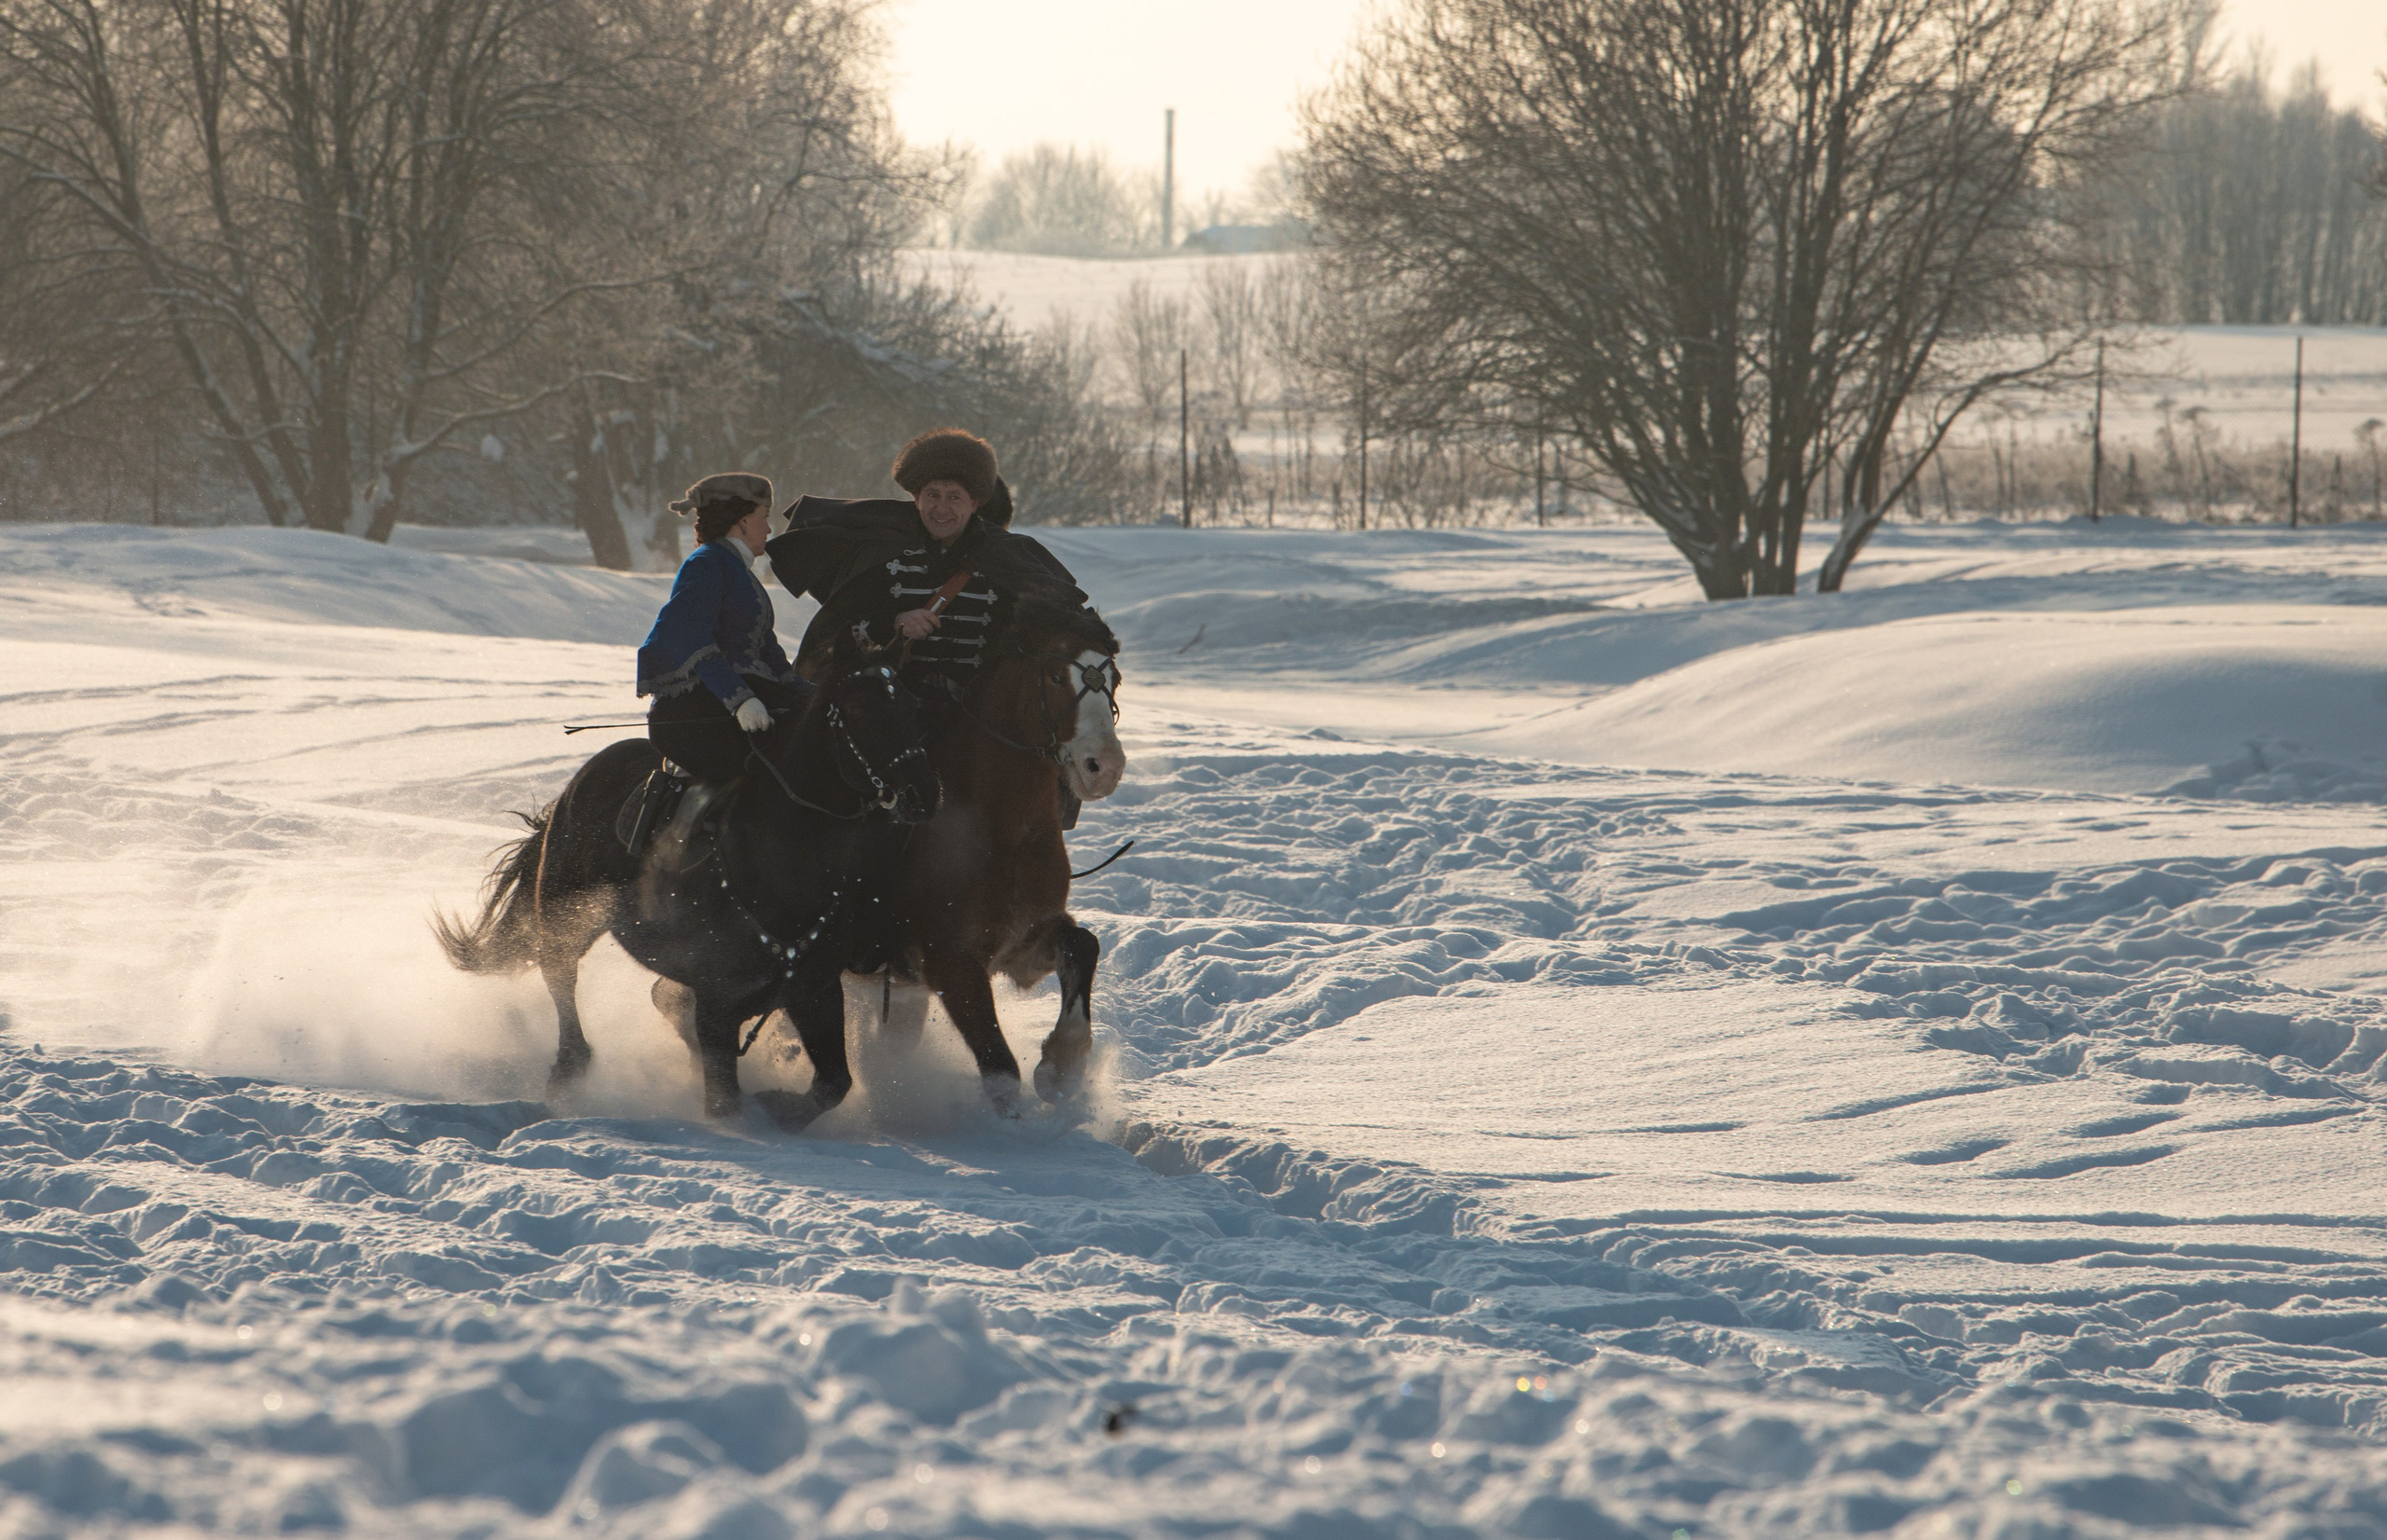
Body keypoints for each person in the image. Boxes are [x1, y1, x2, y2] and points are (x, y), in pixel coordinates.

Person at [766, 428, 1084, 718]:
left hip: (980, 712)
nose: (941, 508)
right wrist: (893, 623)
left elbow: (1050, 628)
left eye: (954, 497)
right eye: (933, 494)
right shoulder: (877, 550)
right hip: (888, 707)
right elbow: (840, 630)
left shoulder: (1011, 556)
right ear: (916, 499)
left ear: (974, 504)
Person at [637, 473, 809, 786]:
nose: (770, 529)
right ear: (742, 522)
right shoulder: (706, 563)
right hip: (696, 711)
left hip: (741, 699)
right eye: (764, 517)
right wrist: (739, 699)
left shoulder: (737, 570)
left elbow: (766, 649)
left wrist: (810, 695)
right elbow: (690, 637)